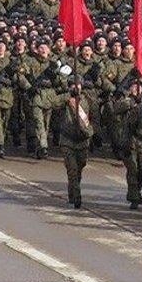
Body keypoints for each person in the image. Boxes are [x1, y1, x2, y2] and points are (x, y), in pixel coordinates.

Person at [57, 76, 96, 208]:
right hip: (67, 141)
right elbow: (52, 102)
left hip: (83, 141)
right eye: (73, 85)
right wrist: (68, 96)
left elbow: (94, 116)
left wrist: (92, 133)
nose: (76, 87)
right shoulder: (65, 99)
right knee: (72, 169)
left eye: (78, 84)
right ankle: (77, 196)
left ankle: (72, 191)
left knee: (79, 169)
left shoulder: (87, 100)